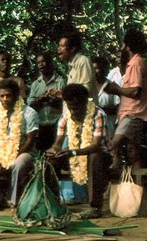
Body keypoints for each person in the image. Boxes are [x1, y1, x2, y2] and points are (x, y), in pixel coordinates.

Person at [47, 84, 111, 219]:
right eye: (70, 108)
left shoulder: (98, 114)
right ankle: (52, 204)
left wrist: (73, 152)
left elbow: (96, 145)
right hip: (74, 155)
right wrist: (53, 151)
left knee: (95, 157)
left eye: (76, 107)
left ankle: (95, 207)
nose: (73, 111)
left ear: (84, 103)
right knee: (50, 161)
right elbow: (58, 143)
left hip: (100, 155)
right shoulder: (66, 116)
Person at [0, 79, 39, 212]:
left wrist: (11, 158)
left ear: (16, 95)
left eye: (8, 95)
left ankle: (16, 202)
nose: (5, 99)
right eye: (2, 95)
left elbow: (30, 141)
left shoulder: (29, 113)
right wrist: (0, 157)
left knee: (19, 164)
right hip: (2, 151)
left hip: (25, 152)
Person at [106, 29, 147, 172]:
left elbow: (136, 91)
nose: (121, 48)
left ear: (128, 46)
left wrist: (116, 89)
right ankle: (136, 187)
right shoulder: (134, 63)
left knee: (113, 145)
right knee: (133, 153)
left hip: (133, 114)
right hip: (128, 114)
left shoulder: (136, 63)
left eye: (123, 44)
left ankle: (106, 186)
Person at [27, 51, 66, 151]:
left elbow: (65, 104)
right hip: (40, 125)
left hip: (56, 124)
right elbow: (30, 106)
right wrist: (41, 99)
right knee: (41, 153)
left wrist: (52, 100)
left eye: (43, 61)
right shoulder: (36, 84)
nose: (41, 64)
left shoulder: (60, 82)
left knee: (55, 152)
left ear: (50, 63)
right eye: (38, 62)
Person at [57, 31, 98, 103]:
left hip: (84, 112)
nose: (58, 49)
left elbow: (84, 90)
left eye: (62, 46)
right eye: (59, 46)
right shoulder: (71, 65)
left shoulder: (83, 61)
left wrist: (63, 94)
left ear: (72, 49)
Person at [93, 56, 120, 137]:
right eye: (93, 68)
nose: (95, 71)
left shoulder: (113, 86)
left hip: (108, 129)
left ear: (104, 69)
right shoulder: (88, 86)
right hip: (90, 130)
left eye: (97, 68)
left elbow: (120, 108)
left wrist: (101, 110)